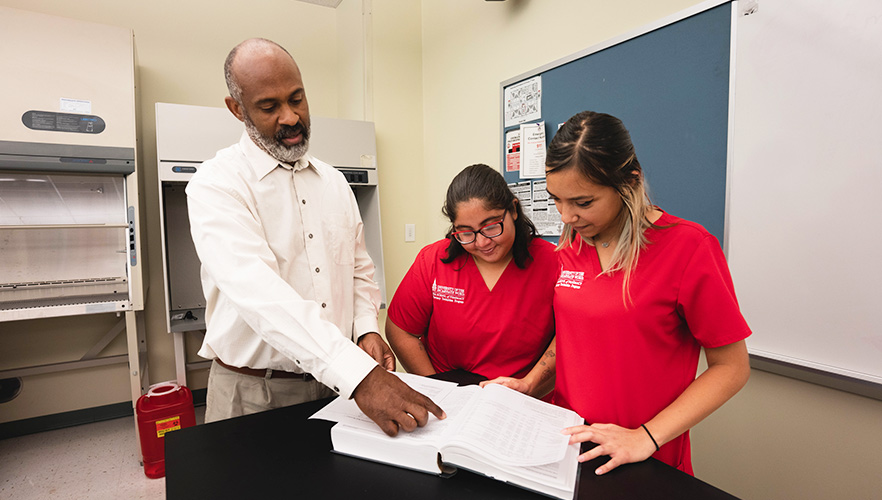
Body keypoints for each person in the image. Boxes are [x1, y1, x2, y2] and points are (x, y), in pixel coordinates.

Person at [186, 38, 443, 436]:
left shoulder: (334, 183)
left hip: (335, 387)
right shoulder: (217, 185)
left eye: (297, 99)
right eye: (270, 107)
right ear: (237, 109)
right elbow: (262, 296)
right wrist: (360, 376)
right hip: (255, 391)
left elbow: (358, 268)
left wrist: (365, 328)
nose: (290, 117)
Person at [484, 110, 751, 475]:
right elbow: (576, 334)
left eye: (583, 202)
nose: (565, 217)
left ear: (629, 182)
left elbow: (732, 368)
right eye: (556, 199)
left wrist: (646, 436)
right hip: (570, 447)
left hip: (643, 456)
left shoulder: (689, 248)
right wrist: (531, 383)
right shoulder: (570, 250)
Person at [386, 164, 557, 399]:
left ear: (513, 210)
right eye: (466, 232)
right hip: (451, 398)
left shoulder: (553, 262)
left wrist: (531, 385)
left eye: (491, 227)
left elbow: (570, 335)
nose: (482, 242)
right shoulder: (433, 261)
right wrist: (439, 391)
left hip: (523, 400)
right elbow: (401, 331)